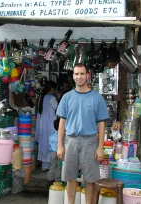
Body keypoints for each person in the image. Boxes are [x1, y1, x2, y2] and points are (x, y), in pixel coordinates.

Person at [56, 63, 109, 204]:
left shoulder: (97, 98)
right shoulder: (67, 97)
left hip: (90, 142)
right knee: (70, 178)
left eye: (82, 74)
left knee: (90, 179)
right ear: (73, 76)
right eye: (76, 74)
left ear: (87, 75)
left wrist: (100, 147)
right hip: (71, 141)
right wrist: (60, 145)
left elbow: (101, 123)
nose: (79, 77)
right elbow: (62, 123)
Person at [35, 81, 58, 171]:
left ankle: (45, 166)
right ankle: (51, 165)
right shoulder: (52, 98)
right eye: (54, 89)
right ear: (51, 89)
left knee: (44, 141)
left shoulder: (42, 98)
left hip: (43, 124)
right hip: (51, 124)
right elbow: (58, 108)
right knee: (51, 143)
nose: (54, 91)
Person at [47, 117, 61, 182]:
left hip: (52, 153)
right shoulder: (62, 136)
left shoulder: (51, 136)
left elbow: (49, 146)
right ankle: (57, 180)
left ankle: (50, 178)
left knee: (52, 165)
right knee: (59, 166)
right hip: (59, 153)